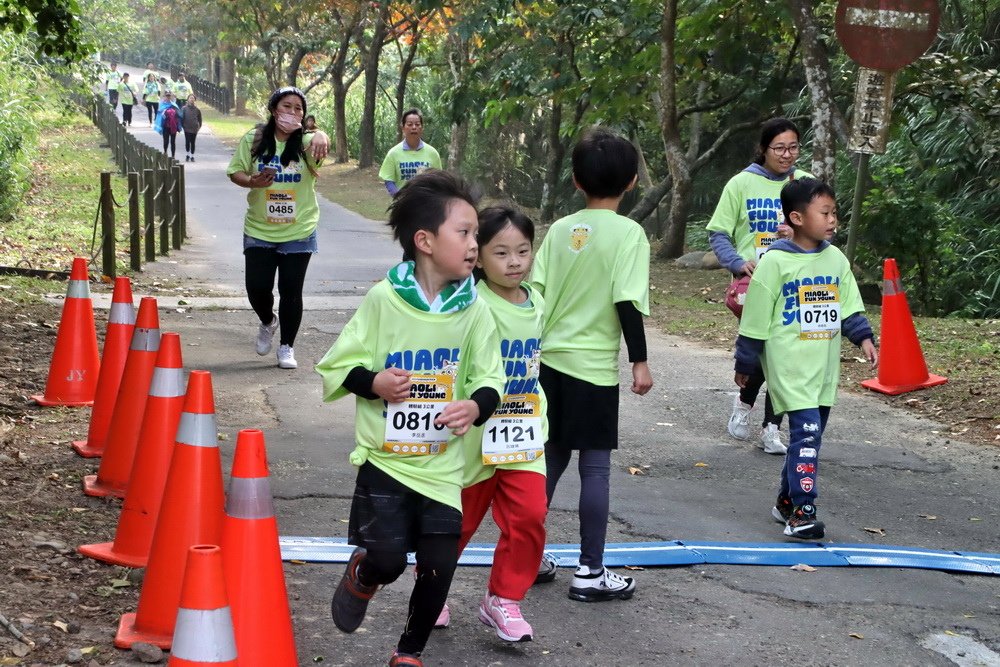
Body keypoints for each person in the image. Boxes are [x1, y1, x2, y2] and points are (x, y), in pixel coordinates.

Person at [316, 170, 505, 667]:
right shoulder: (384, 300)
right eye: (463, 233)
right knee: (390, 561)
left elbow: (491, 378)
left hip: (442, 467)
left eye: (475, 235)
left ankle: (409, 654)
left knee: (440, 565)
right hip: (388, 461)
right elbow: (340, 365)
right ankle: (364, 572)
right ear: (424, 241)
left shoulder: (476, 310)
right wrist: (374, 382)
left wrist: (474, 406)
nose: (474, 244)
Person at [531, 128, 653, 602]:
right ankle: (590, 570)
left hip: (550, 367)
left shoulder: (560, 230)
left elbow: (533, 297)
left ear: (577, 182)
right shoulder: (629, 233)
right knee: (595, 471)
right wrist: (639, 361)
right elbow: (627, 301)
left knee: (550, 462)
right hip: (594, 372)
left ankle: (527, 555)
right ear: (633, 181)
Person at [735, 177, 877, 539]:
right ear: (797, 218)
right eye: (825, 213)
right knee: (808, 435)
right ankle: (803, 511)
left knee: (807, 440)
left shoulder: (835, 258)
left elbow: (848, 307)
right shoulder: (775, 263)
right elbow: (755, 320)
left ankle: (785, 502)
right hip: (789, 367)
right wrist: (746, 364)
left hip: (823, 370)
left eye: (835, 213)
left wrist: (863, 338)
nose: (833, 220)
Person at [435, 205, 547, 642]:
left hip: (523, 432)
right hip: (473, 436)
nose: (514, 262)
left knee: (530, 515)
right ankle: (433, 590)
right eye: (501, 253)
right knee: (457, 523)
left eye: (523, 251)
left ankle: (504, 599)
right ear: (478, 257)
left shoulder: (536, 300)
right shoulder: (467, 302)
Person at [707, 117, 812, 455]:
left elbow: (825, 227)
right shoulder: (741, 184)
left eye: (793, 147)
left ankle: (771, 427)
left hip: (796, 283)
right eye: (779, 148)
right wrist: (738, 263)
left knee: (782, 355)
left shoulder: (807, 183)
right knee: (764, 351)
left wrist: (796, 234)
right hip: (755, 285)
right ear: (764, 149)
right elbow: (719, 233)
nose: (786, 154)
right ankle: (745, 403)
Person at [225, 86, 330, 370]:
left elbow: (319, 139)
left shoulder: (307, 141)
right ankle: (268, 321)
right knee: (257, 288)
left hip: (299, 229)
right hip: (260, 228)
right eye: (287, 106)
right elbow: (235, 171)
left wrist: (321, 133)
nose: (292, 112)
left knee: (291, 290)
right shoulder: (255, 138)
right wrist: (251, 182)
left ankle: (287, 346)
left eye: (298, 108)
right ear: (274, 110)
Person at [378, 108, 442, 197]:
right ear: (403, 128)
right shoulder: (393, 153)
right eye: (410, 124)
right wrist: (398, 197)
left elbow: (438, 181)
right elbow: (389, 180)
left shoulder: (432, 153)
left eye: (417, 124)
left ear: (422, 128)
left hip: (426, 205)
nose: (414, 127)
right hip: (403, 205)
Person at [154, 92, 181, 158]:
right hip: (166, 126)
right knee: (166, 140)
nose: (168, 97)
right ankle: (165, 151)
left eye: (169, 96)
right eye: (167, 96)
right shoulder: (162, 105)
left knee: (173, 141)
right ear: (164, 97)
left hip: (173, 126)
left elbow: (179, 115)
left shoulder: (174, 105)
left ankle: (173, 155)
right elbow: (159, 113)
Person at [180, 94, 202, 162]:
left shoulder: (197, 109)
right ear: (188, 99)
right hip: (186, 128)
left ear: (195, 100)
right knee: (187, 141)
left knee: (193, 142)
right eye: (190, 98)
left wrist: (199, 126)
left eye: (193, 98)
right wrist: (182, 126)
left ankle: (192, 156)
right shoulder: (184, 108)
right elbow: (181, 118)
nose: (191, 99)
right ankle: (187, 154)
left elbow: (200, 119)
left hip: (194, 128)